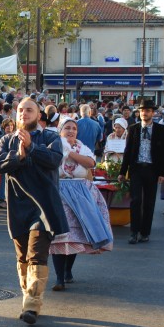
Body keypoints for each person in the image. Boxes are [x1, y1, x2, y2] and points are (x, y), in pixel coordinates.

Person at [0, 98, 68, 325]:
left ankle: (32, 305)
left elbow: (54, 160)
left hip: (43, 206)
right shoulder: (7, 140)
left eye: (29, 110)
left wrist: (32, 148)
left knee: (36, 254)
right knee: (23, 256)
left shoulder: (51, 137)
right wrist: (19, 155)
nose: (24, 113)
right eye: (21, 110)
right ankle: (28, 297)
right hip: (17, 205)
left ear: (39, 115)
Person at [50, 118, 113, 290]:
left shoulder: (81, 147)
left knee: (77, 234)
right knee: (60, 235)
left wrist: (69, 153)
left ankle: (67, 270)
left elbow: (91, 163)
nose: (71, 131)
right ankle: (59, 278)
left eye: (74, 129)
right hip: (59, 190)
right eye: (67, 128)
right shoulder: (53, 144)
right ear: (60, 130)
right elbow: (51, 164)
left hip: (80, 192)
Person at [119, 98, 164, 244]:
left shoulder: (160, 130)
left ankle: (145, 232)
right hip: (136, 168)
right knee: (135, 200)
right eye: (142, 110)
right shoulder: (133, 129)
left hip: (152, 170)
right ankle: (134, 232)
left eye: (147, 110)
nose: (144, 113)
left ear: (152, 113)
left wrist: (163, 173)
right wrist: (122, 172)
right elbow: (128, 151)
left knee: (149, 202)